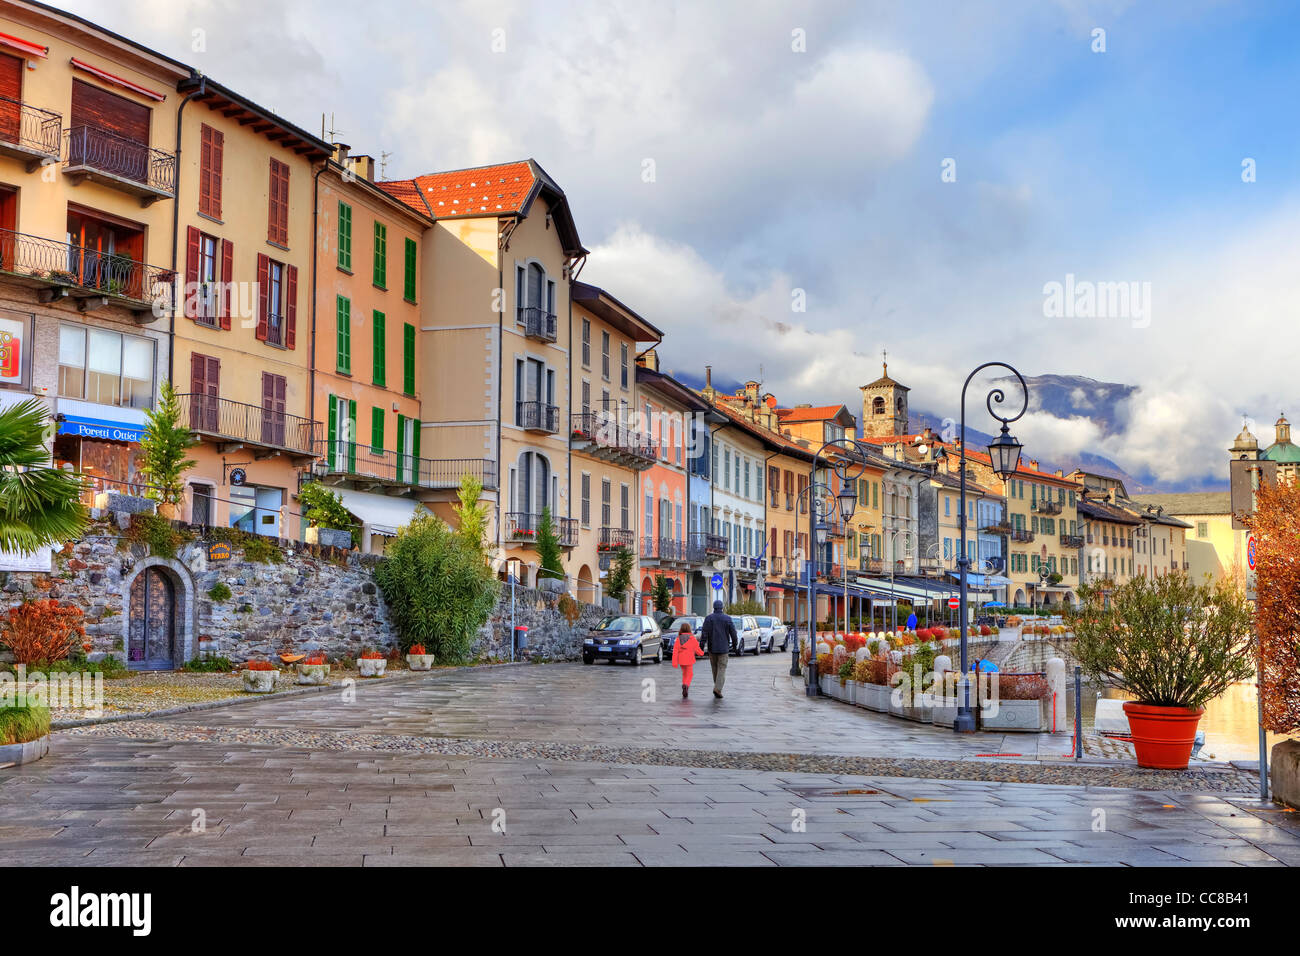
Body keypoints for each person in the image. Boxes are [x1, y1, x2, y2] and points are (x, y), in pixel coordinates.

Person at [699, 600, 738, 698]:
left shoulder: (708, 619)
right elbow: (733, 633)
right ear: (722, 608)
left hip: (712, 648)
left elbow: (704, 634)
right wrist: (734, 645)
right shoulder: (727, 619)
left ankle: (717, 687)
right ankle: (717, 688)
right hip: (724, 648)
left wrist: (701, 646)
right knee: (722, 668)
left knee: (714, 668)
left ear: (714, 607)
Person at [671, 621, 704, 698]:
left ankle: (684, 685)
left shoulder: (678, 639)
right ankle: (686, 685)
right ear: (689, 629)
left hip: (681, 660)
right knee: (690, 674)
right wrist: (702, 653)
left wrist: (674, 662)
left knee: (684, 673)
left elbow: (675, 651)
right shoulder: (692, 638)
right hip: (689, 659)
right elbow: (697, 649)